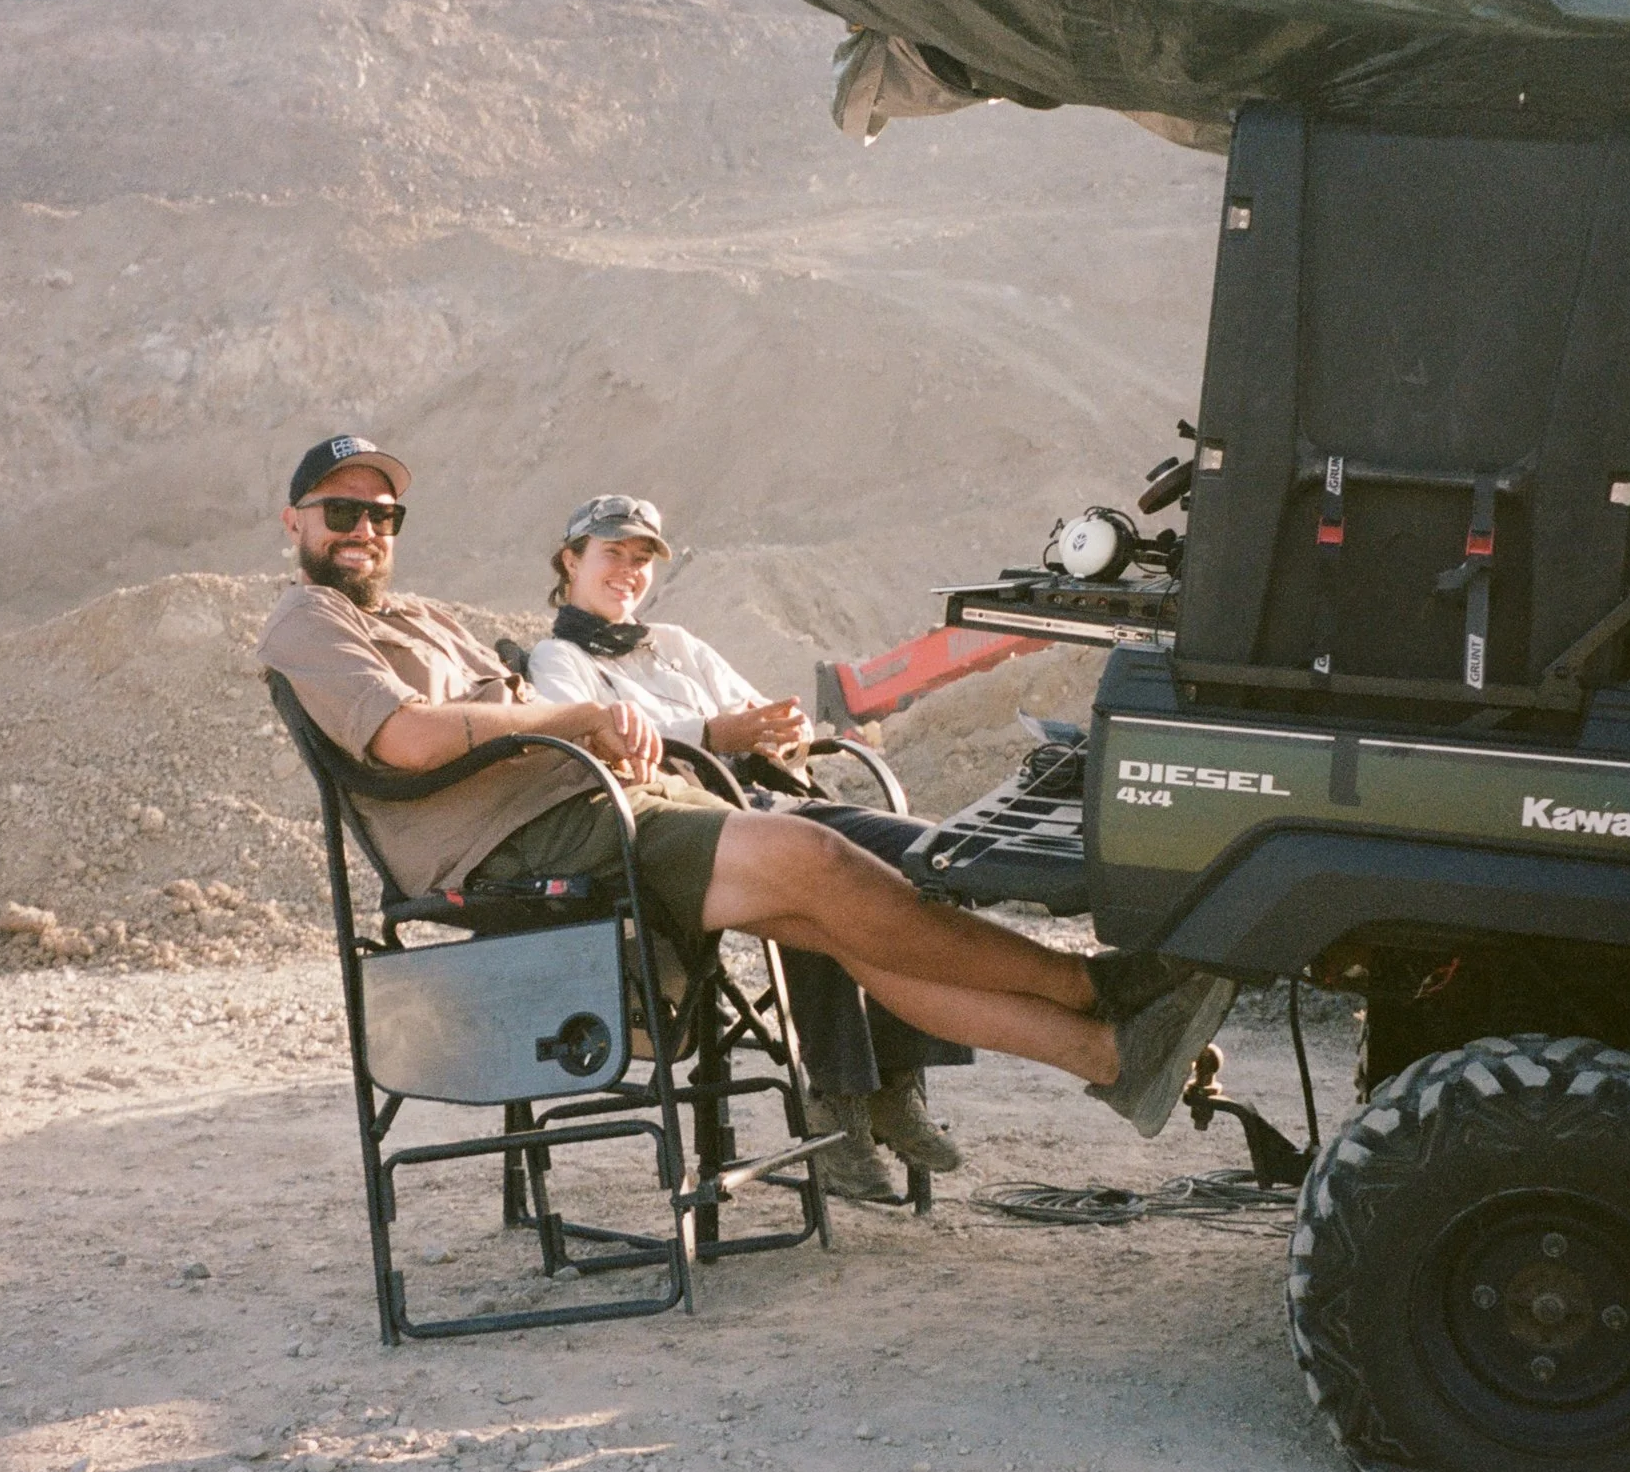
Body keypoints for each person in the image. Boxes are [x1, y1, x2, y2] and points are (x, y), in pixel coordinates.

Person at [254, 434, 1232, 1146]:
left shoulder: (422, 617)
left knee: (843, 913)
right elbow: (405, 736)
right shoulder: (308, 622)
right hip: (522, 842)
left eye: (383, 515)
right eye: (343, 512)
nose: (365, 529)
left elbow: (506, 711)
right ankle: (1101, 990)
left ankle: (1109, 1057)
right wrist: (580, 719)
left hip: (599, 802)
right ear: (294, 522)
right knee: (817, 861)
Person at [524, 494, 970, 1200]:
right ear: (570, 561)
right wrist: (714, 734)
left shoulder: (676, 643)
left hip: (765, 798)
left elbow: (757, 715)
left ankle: (895, 1083)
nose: (629, 571)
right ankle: (840, 1103)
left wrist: (783, 731)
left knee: (926, 855)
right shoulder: (557, 660)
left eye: (641, 558)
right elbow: (596, 744)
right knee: (807, 868)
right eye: (612, 554)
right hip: (680, 824)